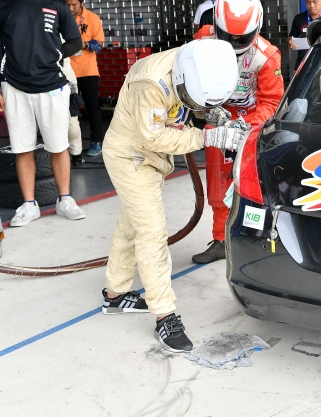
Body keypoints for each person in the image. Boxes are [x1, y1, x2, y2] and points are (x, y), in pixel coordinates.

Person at [101, 39, 247, 352]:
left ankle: (115, 294)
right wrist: (208, 136)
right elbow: (153, 136)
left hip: (149, 156)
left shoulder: (199, 63)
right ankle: (164, 316)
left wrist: (213, 114)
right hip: (132, 157)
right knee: (152, 233)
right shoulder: (150, 83)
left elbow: (192, 99)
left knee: (132, 225)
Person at [0, 0, 85, 227]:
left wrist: (55, 53)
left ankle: (65, 199)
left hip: (52, 85)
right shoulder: (1, 3)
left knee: (58, 145)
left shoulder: (56, 4)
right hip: (14, 87)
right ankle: (29, 205)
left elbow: (75, 41)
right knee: (22, 147)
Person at [192, 0, 284, 264]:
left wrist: (241, 124)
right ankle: (221, 239)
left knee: (255, 184)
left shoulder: (267, 56)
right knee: (219, 187)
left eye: (240, 37)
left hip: (252, 125)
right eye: (227, 35)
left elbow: (272, 102)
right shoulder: (201, 39)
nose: (233, 41)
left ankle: (256, 237)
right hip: (214, 121)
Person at [63, 0, 105, 157]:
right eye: (67, 5)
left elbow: (99, 45)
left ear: (82, 2)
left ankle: (96, 141)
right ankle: (68, 144)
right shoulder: (61, 18)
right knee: (66, 108)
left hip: (88, 70)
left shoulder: (92, 18)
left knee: (92, 106)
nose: (70, 9)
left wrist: (84, 45)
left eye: (74, 5)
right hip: (66, 70)